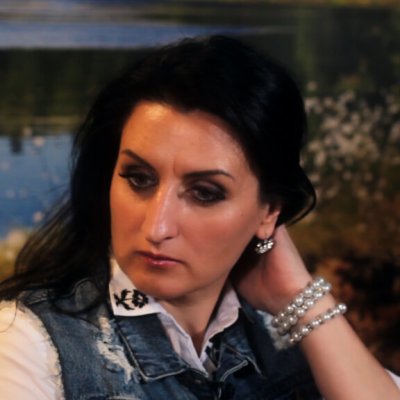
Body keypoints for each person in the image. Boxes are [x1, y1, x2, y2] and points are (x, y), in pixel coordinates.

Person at [0, 35, 399, 400]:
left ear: (269, 212)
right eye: (138, 179)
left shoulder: (294, 342)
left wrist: (302, 299)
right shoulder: (28, 346)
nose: (156, 227)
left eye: (205, 193)